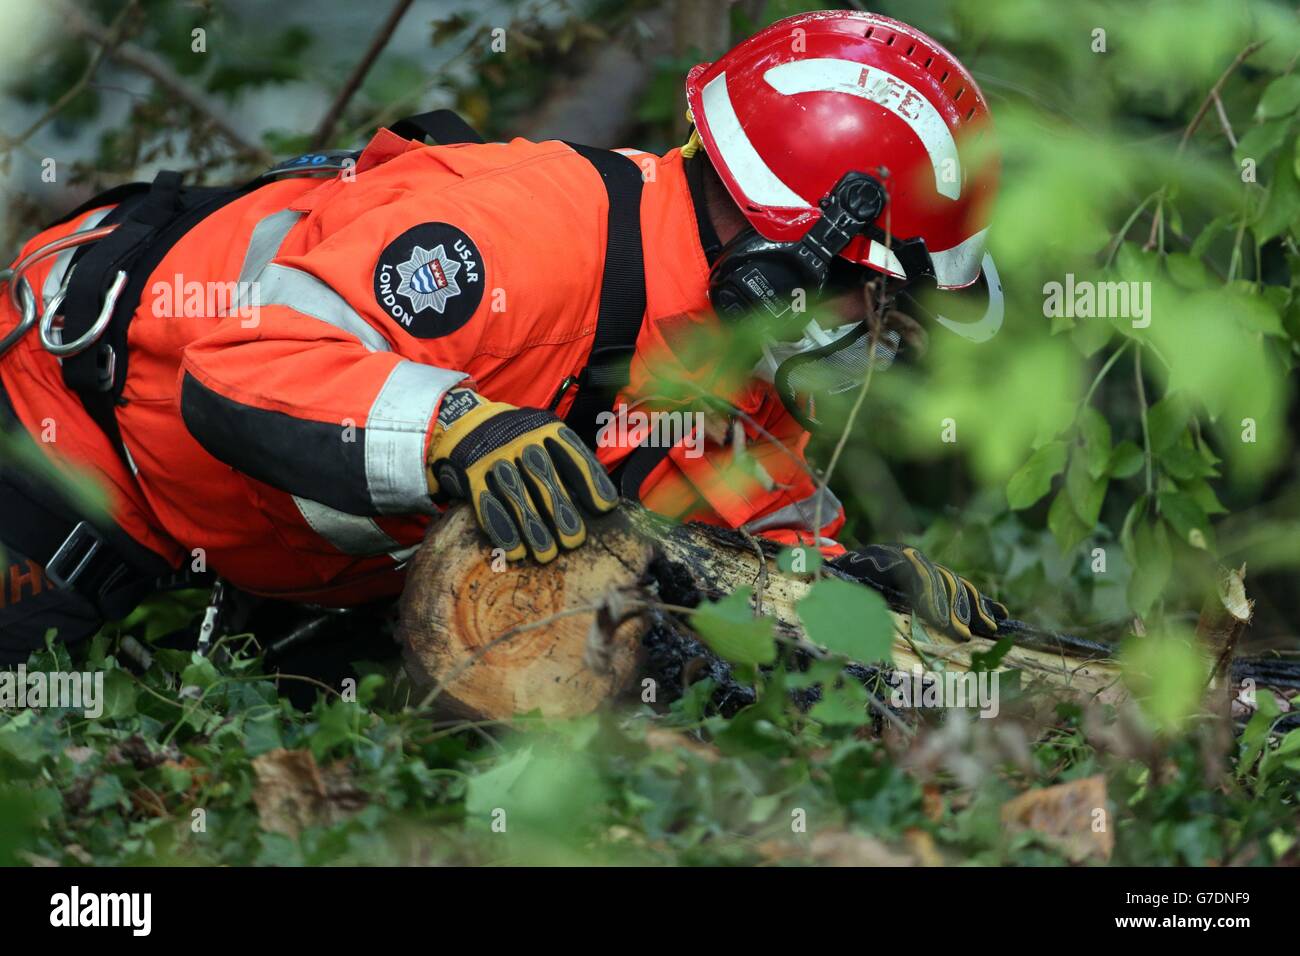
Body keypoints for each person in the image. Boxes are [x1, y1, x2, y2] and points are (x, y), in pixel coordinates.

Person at [0, 10, 1007, 663]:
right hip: (59, 447)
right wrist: (455, 428)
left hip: (269, 568)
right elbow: (237, 372)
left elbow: (739, 527)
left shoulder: (711, 345)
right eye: (868, 300)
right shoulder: (519, 239)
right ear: (782, 255)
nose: (873, 333)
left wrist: (855, 589)